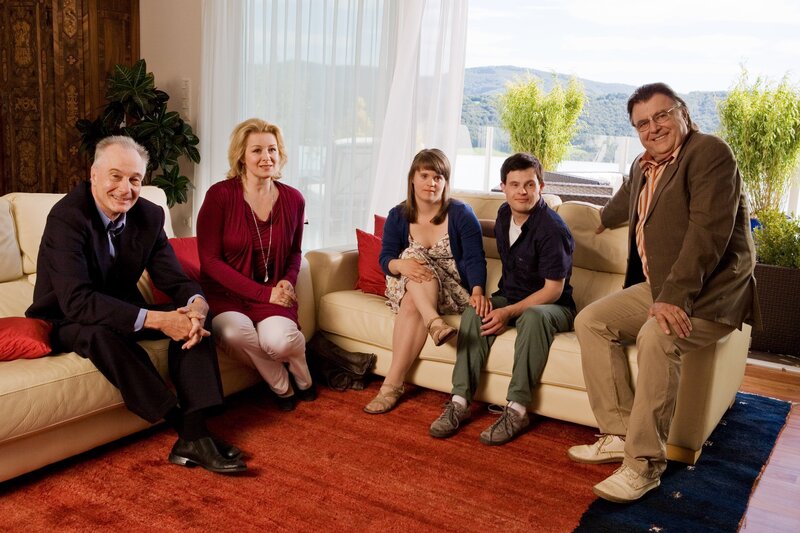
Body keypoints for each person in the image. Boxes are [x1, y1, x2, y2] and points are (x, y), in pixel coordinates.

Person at [566, 82, 758, 503]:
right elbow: (626, 202)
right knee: (591, 320)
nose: (653, 128)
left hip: (711, 292)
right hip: (662, 287)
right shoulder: (644, 164)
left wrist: (673, 298)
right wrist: (599, 221)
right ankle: (618, 434)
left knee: (657, 335)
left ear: (683, 113)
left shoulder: (710, 154)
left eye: (661, 115)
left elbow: (707, 234)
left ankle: (644, 466)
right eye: (642, 123)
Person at [26, 135, 246, 474]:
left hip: (121, 308)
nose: (125, 189)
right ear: (94, 175)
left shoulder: (149, 215)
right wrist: (158, 320)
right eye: (115, 176)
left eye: (135, 179)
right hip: (65, 317)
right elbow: (77, 301)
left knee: (193, 321)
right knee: (102, 336)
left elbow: (174, 279)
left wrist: (197, 304)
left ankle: (195, 430)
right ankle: (188, 430)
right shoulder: (67, 218)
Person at [429, 153, 576, 445]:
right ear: (503, 187)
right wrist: (460, 223)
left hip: (552, 306)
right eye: (515, 185)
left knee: (532, 317)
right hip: (510, 296)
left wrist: (507, 312)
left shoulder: (552, 229)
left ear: (541, 186)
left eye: (530, 184)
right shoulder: (506, 213)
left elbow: (553, 290)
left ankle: (517, 410)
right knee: (474, 311)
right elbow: (496, 229)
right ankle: (459, 401)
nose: (523, 191)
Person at [197, 118, 314, 412]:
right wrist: (265, 294)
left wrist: (287, 279)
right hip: (226, 294)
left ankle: (304, 378)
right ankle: (281, 385)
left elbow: (295, 252)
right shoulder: (219, 196)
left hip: (272, 290)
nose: (266, 157)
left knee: (281, 342)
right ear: (241, 156)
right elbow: (209, 262)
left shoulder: (294, 199)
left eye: (272, 149)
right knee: (234, 333)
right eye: (257, 150)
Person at [363, 148, 488, 414]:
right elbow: (386, 258)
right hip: (406, 281)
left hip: (451, 290)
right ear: (412, 178)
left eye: (438, 177)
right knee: (410, 264)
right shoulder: (398, 215)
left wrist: (478, 291)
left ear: (446, 182)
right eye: (425, 176)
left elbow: (476, 259)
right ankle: (433, 324)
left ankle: (391, 386)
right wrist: (400, 265)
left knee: (413, 287)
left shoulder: (461, 214)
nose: (431, 183)